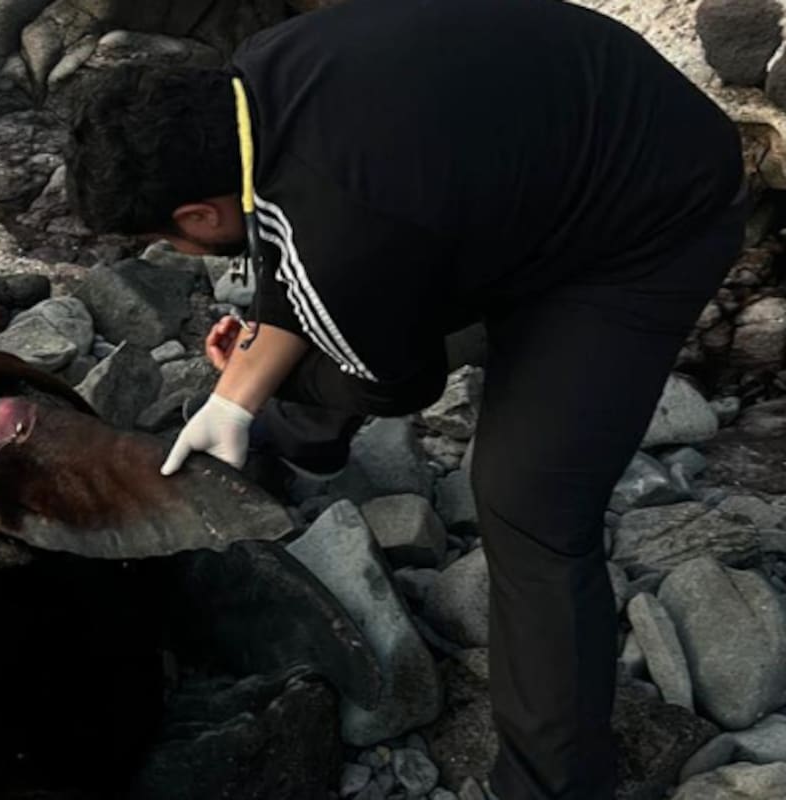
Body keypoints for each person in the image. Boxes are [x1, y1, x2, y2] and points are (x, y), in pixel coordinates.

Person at [65, 0, 748, 797]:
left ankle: (554, 783)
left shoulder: (346, 230)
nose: (174, 253)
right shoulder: (261, 69)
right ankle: (284, 440)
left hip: (648, 221)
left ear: (197, 214)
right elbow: (305, 241)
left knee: (527, 505)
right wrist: (235, 397)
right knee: (336, 298)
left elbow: (397, 382)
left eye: (166, 240)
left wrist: (288, 366)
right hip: (546, 143)